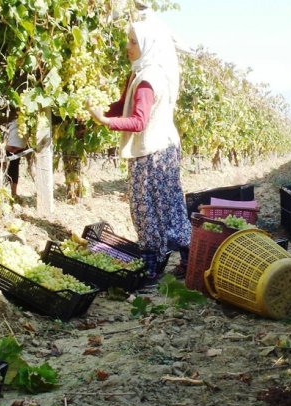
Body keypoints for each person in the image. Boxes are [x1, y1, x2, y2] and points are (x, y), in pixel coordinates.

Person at [86, 16, 190, 280]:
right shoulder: (142, 72)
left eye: (133, 41)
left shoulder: (147, 80)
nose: (127, 46)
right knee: (168, 206)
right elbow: (124, 104)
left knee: (145, 207)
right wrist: (96, 111)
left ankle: (152, 265)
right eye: (129, 40)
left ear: (147, 45)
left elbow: (139, 121)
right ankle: (187, 261)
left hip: (153, 153)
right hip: (161, 147)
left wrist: (104, 120)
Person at [5, 120, 28, 200]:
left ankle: (13, 193)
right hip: (14, 141)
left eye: (15, 149)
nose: (13, 152)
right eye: (13, 149)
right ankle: (12, 193)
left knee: (14, 166)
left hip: (15, 142)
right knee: (12, 166)